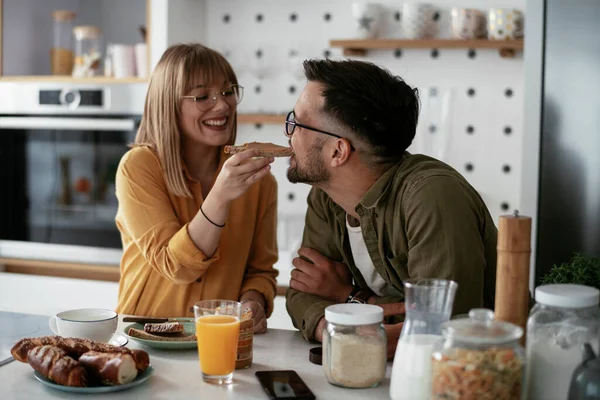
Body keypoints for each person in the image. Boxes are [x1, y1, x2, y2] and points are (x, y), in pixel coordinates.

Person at [285, 59, 498, 357]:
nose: (289, 134)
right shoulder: (325, 196)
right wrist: (348, 328)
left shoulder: (432, 197)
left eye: (296, 124)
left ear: (338, 151)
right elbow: (302, 295)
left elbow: (437, 329)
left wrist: (350, 299)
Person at [115, 43, 279, 333]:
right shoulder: (138, 167)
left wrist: (254, 301)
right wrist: (219, 196)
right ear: (168, 104)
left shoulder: (259, 181)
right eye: (202, 96)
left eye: (228, 92)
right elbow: (175, 266)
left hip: (219, 338)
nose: (222, 105)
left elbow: (260, 271)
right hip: (144, 338)